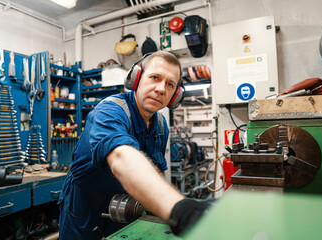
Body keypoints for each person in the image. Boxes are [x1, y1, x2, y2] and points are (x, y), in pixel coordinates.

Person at [58, 51, 212, 239]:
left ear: (175, 96)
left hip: (124, 207)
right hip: (85, 207)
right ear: (136, 78)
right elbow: (121, 156)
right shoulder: (110, 110)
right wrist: (180, 210)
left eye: (170, 84)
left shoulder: (161, 125)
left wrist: (159, 209)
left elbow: (158, 170)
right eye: (155, 77)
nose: (161, 89)